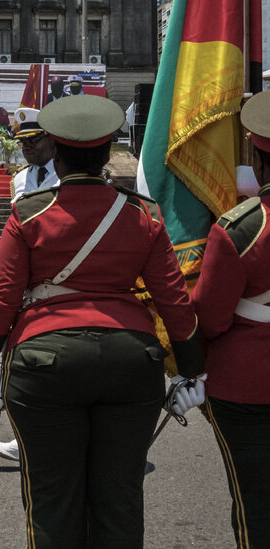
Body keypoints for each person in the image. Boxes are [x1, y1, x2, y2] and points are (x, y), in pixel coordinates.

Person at [0, 95, 204, 547]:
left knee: (52, 501)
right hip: (132, 361)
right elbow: (174, 301)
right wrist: (192, 369)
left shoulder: (29, 213)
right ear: (107, 153)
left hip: (44, 361)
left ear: (56, 152)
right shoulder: (144, 214)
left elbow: (2, 299)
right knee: (120, 501)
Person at [191, 89, 270, 549]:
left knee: (256, 506)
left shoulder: (240, 227)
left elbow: (210, 317)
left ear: (258, 162)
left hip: (248, 385)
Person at [10, 107, 59, 203]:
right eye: (23, 142)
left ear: (52, 140)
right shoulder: (19, 177)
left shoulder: (67, 174)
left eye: (33, 140)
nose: (27, 147)